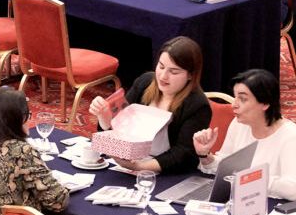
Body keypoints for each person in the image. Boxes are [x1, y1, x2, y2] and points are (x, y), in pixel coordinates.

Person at [89, 36, 212, 173]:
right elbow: (119, 130)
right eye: (161, 66)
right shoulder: (145, 82)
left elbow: (183, 154)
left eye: (174, 71)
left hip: (168, 172)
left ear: (190, 75)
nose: (163, 76)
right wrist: (104, 118)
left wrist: (139, 167)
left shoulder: (197, 106)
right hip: (129, 163)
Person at [193, 69, 296, 200]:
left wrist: (249, 177)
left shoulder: (291, 137)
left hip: (281, 207)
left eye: (243, 99)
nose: (234, 105)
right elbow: (226, 170)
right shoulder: (239, 124)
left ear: (265, 103)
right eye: (235, 97)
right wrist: (205, 156)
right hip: (247, 199)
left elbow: (295, 190)